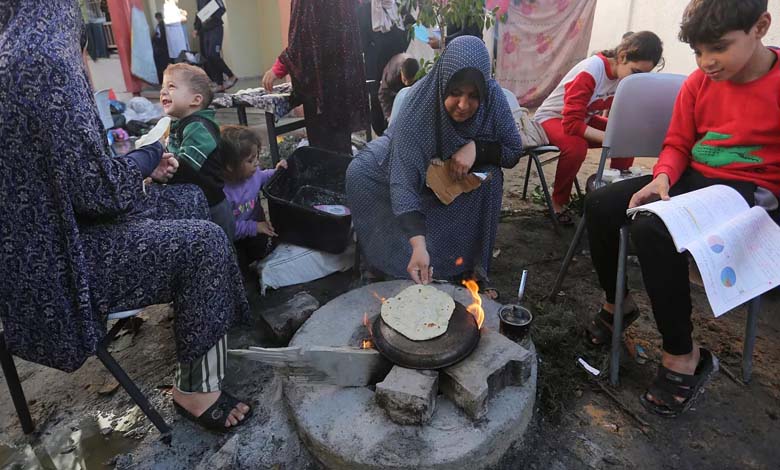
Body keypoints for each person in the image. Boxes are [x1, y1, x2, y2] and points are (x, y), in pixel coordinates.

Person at [1, 0, 252, 431]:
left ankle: (198, 325)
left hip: (54, 237)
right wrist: (144, 159)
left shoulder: (20, 48)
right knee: (204, 244)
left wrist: (138, 166)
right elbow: (96, 192)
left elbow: (73, 177)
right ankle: (194, 390)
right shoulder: (43, 59)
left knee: (191, 199)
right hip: (58, 265)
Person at [584, 0, 779, 417]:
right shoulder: (699, 83)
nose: (707, 62)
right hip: (693, 181)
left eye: (719, 48)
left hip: (754, 194)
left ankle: (683, 355)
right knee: (602, 203)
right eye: (698, 51)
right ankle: (618, 304)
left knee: (652, 229)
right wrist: (662, 178)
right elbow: (677, 144)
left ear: (761, 26)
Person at [346, 36, 522, 297]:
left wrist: (477, 148)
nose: (463, 105)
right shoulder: (418, 106)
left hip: (455, 169)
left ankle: (466, 267)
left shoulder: (493, 97)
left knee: (491, 177)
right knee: (358, 173)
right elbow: (403, 182)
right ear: (442, 85)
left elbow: (512, 150)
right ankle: (383, 263)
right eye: (455, 93)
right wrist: (418, 244)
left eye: (473, 96)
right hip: (397, 163)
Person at [534, 31, 664, 225]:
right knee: (577, 147)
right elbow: (571, 124)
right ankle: (557, 202)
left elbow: (625, 116)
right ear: (621, 57)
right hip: (551, 119)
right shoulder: (591, 71)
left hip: (583, 119)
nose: (637, 80)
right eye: (636, 72)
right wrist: (609, 138)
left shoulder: (625, 78)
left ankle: (618, 194)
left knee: (626, 136)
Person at [262, 0, 369, 155]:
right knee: (341, 149)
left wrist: (279, 67)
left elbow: (301, 38)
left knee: (325, 152)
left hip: (321, 85)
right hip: (342, 80)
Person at [161, 63, 234, 240]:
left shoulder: (199, 127)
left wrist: (157, 167)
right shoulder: (179, 124)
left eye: (171, 86)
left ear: (196, 100)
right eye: (162, 87)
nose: (163, 92)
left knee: (222, 250)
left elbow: (185, 166)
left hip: (212, 206)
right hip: (196, 202)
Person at [221, 125, 287, 270]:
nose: (256, 163)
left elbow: (263, 177)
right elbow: (228, 228)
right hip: (236, 237)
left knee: (260, 251)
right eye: (250, 160)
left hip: (257, 229)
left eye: (257, 157)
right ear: (230, 166)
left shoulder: (253, 173)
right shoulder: (224, 193)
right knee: (239, 263)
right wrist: (255, 227)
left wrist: (277, 172)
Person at [193, 0, 238, 92]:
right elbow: (199, 14)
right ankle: (219, 84)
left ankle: (231, 76)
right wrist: (196, 28)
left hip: (215, 29)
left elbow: (222, 8)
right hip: (205, 31)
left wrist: (211, 16)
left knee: (214, 54)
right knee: (208, 57)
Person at [378, 53, 420, 120]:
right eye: (405, 79)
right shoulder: (390, 76)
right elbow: (383, 94)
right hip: (393, 91)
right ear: (401, 71)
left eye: (410, 81)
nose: (406, 83)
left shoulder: (418, 73)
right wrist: (389, 116)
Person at [152, 12, 170, 85]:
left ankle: (163, 80)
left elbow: (159, 37)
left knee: (162, 66)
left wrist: (153, 38)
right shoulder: (165, 24)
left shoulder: (160, 25)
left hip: (161, 48)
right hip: (166, 47)